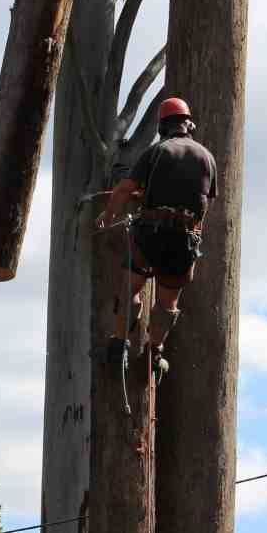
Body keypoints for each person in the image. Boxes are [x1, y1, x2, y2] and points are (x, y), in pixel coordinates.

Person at [97, 95, 217, 381]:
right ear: (189, 125)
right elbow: (203, 205)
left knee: (131, 289)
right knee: (166, 304)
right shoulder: (207, 157)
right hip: (183, 240)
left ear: (163, 127)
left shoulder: (157, 151)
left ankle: (118, 346)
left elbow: (125, 189)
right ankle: (154, 352)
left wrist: (108, 215)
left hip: (150, 234)